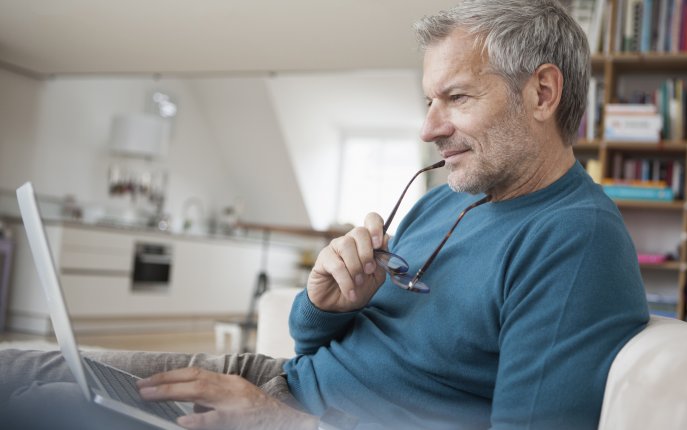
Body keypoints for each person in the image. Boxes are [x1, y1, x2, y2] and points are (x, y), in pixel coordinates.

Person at [0, 1, 650, 429]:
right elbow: (316, 348)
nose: (428, 128)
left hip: (291, 418)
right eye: (428, 100)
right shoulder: (446, 198)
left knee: (45, 407)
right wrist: (328, 305)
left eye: (454, 97)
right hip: (271, 382)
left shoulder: (575, 242)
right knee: (19, 371)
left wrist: (283, 423)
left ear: (541, 92)